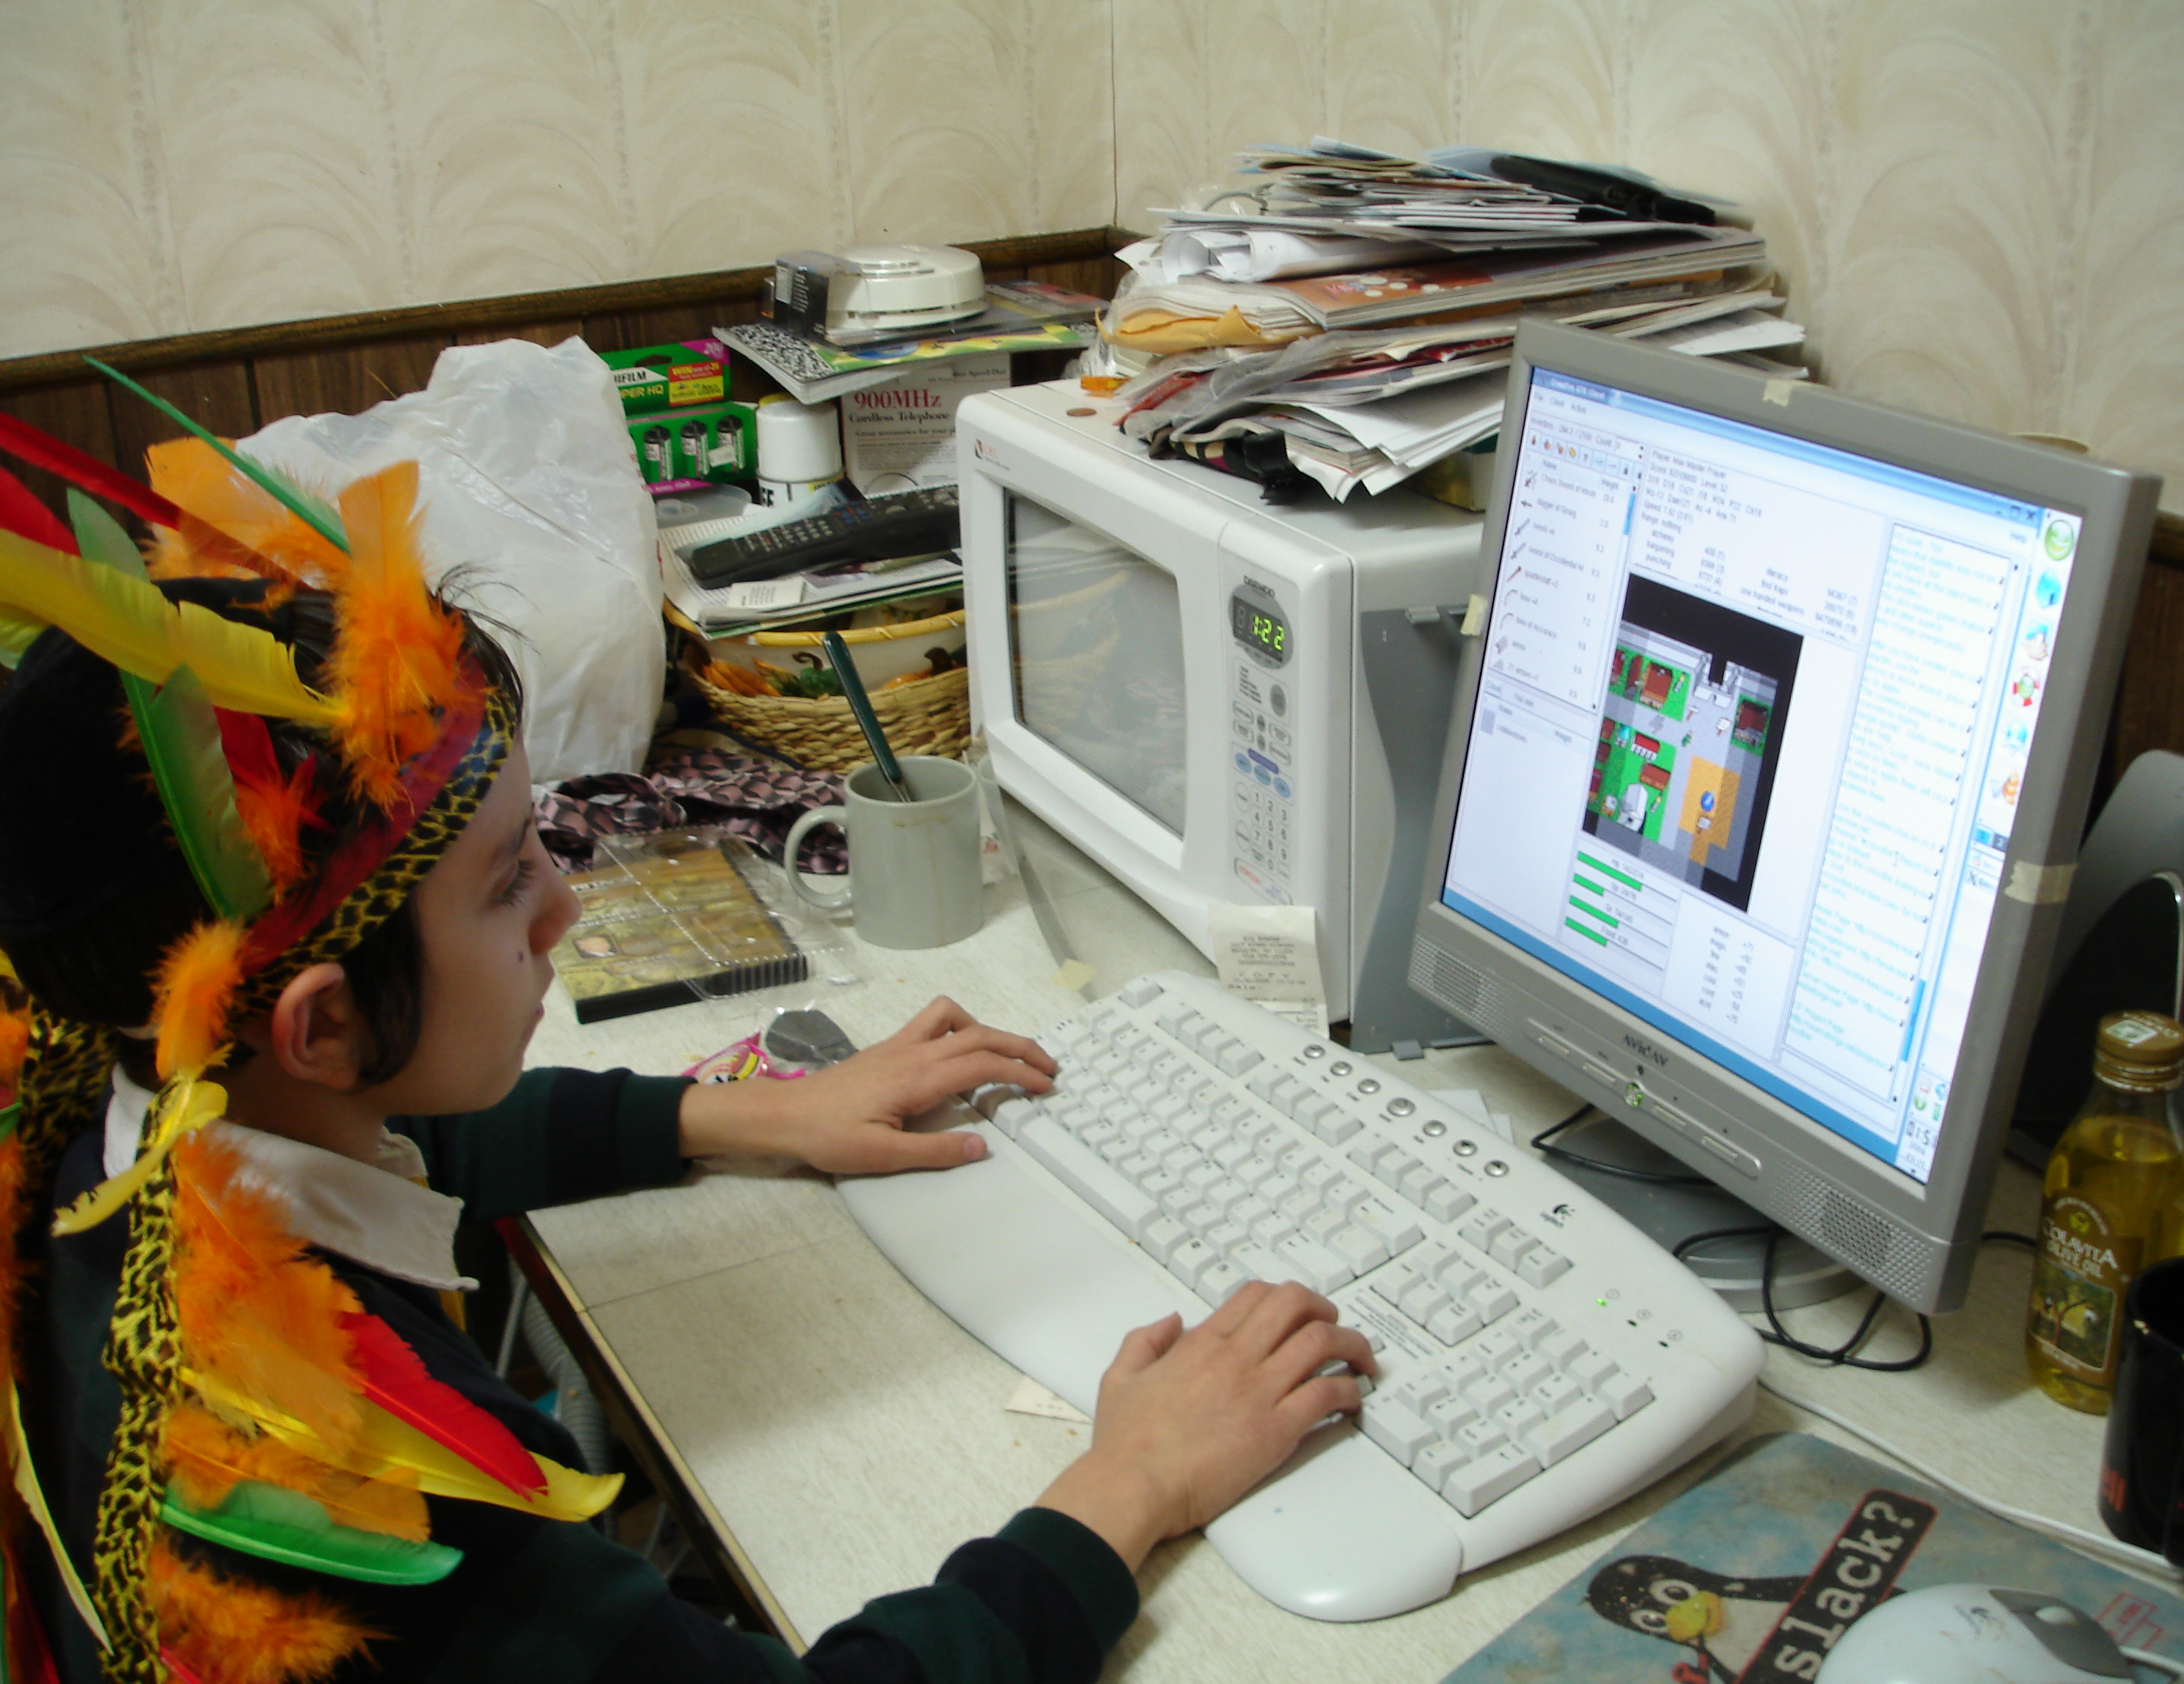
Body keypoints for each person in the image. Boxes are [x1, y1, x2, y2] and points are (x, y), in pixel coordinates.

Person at [0, 431, 1372, 1684]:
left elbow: (417, 1145)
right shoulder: (365, 1490)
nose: (565, 905)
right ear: (324, 1022)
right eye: (502, 885)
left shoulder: (131, 1131)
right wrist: (1128, 1485)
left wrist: (744, 1114)